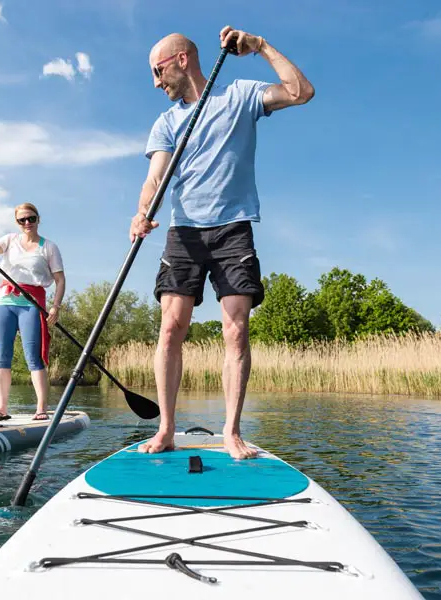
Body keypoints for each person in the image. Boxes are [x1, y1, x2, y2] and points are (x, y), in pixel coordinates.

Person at [131, 26, 314, 459]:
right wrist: (142, 211)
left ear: (181, 59)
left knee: (236, 330)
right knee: (172, 328)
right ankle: (167, 429)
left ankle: (231, 432)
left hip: (233, 229)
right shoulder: (168, 121)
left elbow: (301, 91)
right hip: (184, 232)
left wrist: (261, 47)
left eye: (158, 71)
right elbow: (155, 177)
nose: (156, 83)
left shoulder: (239, 97)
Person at [0, 203, 66, 421]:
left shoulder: (49, 247)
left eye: (31, 219)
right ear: (17, 222)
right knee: (2, 357)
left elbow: (60, 280)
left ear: (38, 219)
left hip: (31, 304)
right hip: (4, 301)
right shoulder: (10, 240)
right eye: (22, 220)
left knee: (33, 357)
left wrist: (55, 306)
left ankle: (41, 408)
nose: (27, 223)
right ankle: (2, 408)